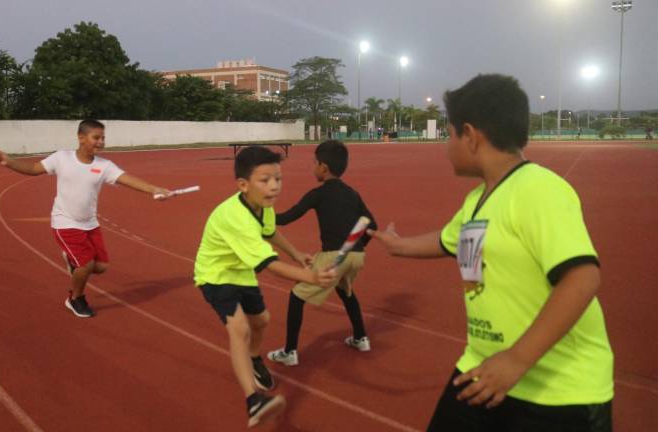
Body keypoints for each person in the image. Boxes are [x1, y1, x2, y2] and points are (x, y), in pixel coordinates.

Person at [370, 74, 613, 431]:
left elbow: (582, 275)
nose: (445, 145)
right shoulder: (476, 201)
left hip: (558, 393)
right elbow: (448, 241)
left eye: (448, 135)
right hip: (483, 367)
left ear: (470, 135)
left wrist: (516, 360)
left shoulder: (538, 190)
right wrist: (399, 245)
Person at [193, 146, 336, 428]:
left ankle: (255, 360)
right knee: (240, 330)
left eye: (278, 179)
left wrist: (296, 254)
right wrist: (310, 277)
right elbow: (267, 265)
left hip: (242, 271)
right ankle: (253, 400)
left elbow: (270, 233)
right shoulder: (235, 216)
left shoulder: (263, 207)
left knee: (262, 321)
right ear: (243, 185)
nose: (274, 186)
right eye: (265, 180)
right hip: (216, 275)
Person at [0, 119, 170, 318]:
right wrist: (9, 162)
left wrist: (154, 189)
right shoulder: (62, 158)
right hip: (65, 222)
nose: (101, 142)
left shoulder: (104, 165)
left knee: (101, 267)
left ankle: (73, 261)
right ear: (81, 138)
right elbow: (34, 169)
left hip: (90, 223)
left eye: (103, 138)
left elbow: (127, 179)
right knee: (85, 265)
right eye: (96, 137)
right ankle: (75, 298)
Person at [267, 140, 377, 366]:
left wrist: (263, 213)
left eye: (314, 163)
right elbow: (371, 225)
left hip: (333, 256)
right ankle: (360, 337)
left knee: (297, 296)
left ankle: (289, 352)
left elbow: (287, 217)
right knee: (345, 291)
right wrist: (359, 247)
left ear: (323, 168)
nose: (313, 167)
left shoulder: (318, 194)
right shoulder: (352, 193)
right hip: (357, 256)